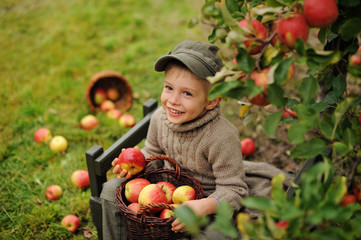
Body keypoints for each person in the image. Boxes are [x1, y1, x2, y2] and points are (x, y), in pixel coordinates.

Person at [100, 40, 290, 240]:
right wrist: (136, 166)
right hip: (165, 191)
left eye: (187, 93)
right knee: (111, 189)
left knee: (216, 235)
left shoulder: (221, 136)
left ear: (211, 100)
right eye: (169, 88)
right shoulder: (159, 118)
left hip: (207, 200)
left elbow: (234, 189)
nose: (173, 100)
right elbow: (152, 155)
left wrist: (203, 206)